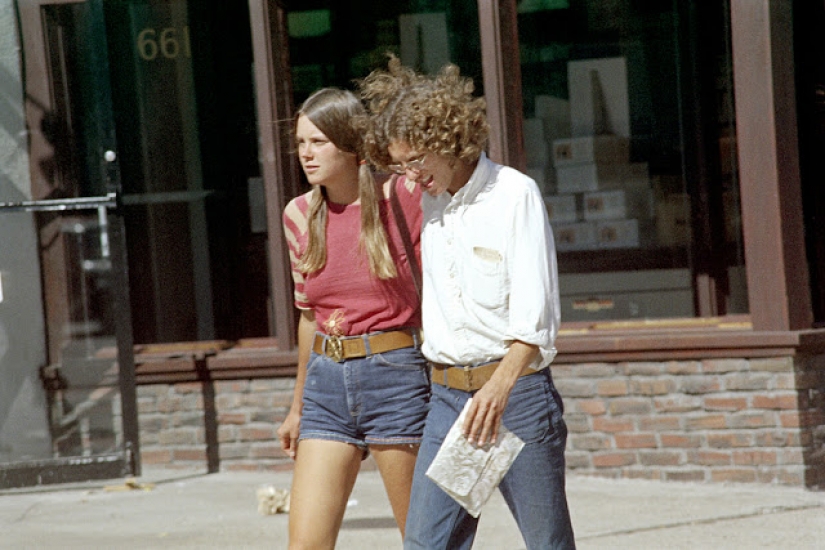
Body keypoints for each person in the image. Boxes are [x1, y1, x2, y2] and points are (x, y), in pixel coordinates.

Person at [359, 58, 576, 549]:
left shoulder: (513, 195)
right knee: (429, 543)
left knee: (547, 542)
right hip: (450, 402)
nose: (410, 176)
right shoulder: (428, 202)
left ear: (446, 138)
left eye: (416, 160)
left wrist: (498, 390)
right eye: (400, 165)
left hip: (514, 398)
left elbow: (536, 320)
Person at [276, 87, 429, 549]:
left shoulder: (402, 197)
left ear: (350, 145)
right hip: (326, 383)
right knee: (306, 545)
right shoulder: (298, 215)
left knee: (423, 539)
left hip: (396, 376)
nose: (306, 154)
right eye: (301, 143)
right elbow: (309, 317)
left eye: (318, 142)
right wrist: (297, 406)